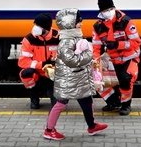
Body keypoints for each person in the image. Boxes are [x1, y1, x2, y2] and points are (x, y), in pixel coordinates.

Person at [43, 8, 108, 140]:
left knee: (87, 101)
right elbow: (72, 60)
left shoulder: (73, 38)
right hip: (68, 80)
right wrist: (89, 55)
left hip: (77, 78)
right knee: (60, 103)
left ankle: (92, 126)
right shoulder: (66, 41)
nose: (81, 24)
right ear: (70, 24)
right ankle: (49, 130)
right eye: (79, 22)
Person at [92, 0, 141, 115]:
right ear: (101, 12)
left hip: (129, 58)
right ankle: (113, 102)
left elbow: (136, 43)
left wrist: (117, 45)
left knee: (125, 78)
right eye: (105, 10)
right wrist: (95, 64)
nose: (109, 12)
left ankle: (126, 105)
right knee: (95, 78)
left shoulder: (126, 21)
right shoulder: (98, 26)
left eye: (110, 9)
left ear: (114, 7)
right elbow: (96, 47)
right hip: (112, 59)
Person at [18, 13, 59, 109]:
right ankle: (34, 97)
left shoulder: (58, 38)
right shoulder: (29, 39)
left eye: (38, 26)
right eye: (35, 25)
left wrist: (53, 66)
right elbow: (22, 62)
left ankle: (55, 95)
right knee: (26, 73)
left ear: (46, 28)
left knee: (56, 107)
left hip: (53, 74)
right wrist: (42, 64)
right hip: (37, 73)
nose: (35, 28)